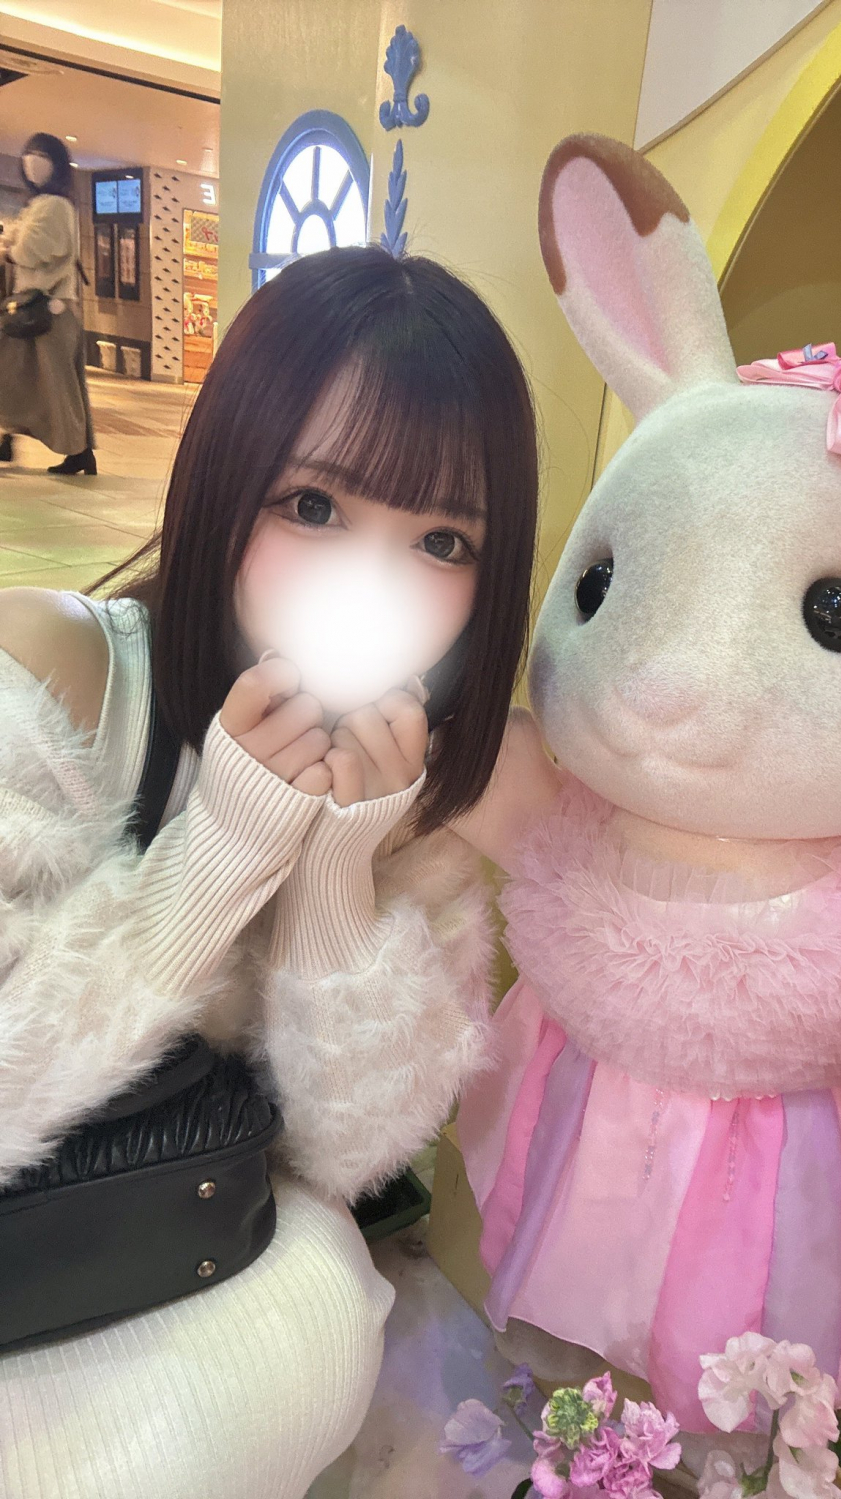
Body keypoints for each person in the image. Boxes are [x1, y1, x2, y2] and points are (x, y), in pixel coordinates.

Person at [0, 245, 538, 1498]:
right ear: (226, 476)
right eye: (312, 505)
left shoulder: (418, 784)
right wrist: (219, 850)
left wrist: (336, 873)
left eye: (441, 537)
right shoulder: (61, 674)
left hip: (176, 1244)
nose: (372, 580)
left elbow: (344, 1152)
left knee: (326, 1317)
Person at [0, 132, 96, 475]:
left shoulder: (55, 206)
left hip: (49, 311)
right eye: (30, 155)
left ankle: (78, 451)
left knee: (55, 384)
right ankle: (12, 437)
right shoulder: (43, 205)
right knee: (27, 378)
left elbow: (31, 249)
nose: (33, 162)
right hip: (40, 308)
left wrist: (10, 250)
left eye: (41, 156)